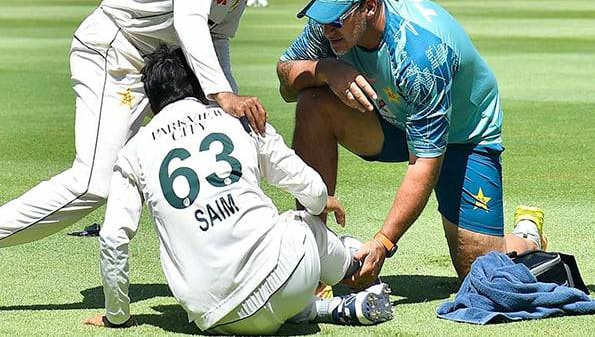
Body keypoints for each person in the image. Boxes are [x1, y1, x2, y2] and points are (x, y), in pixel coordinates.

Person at [0, 0, 316, 248]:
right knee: (93, 183)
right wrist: (223, 95)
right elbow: (190, 21)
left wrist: (228, 99)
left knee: (232, 133)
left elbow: (219, 37)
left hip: (163, 66)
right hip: (115, 53)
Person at [83, 46, 393, 334]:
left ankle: (326, 308)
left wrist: (117, 315)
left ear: (152, 103)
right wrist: (322, 201)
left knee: (264, 305)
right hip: (287, 277)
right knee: (303, 223)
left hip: (215, 317)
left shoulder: (133, 151)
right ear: (202, 84)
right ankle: (353, 268)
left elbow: (113, 237)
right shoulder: (238, 119)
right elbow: (310, 187)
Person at [276, 0, 547, 284]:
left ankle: (528, 235)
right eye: (322, 19)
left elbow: (424, 164)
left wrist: (383, 242)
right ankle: (313, 249)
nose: (326, 29)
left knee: (479, 272)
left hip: (464, 135)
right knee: (313, 101)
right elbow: (287, 81)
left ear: (370, 8)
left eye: (335, 20)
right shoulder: (331, 22)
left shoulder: (419, 54)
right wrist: (326, 70)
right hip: (393, 115)